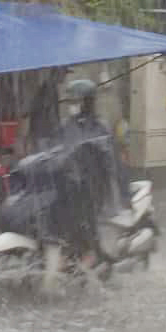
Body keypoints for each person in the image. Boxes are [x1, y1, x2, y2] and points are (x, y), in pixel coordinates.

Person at [56, 78, 130, 267]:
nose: (72, 106)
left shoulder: (100, 126)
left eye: (76, 101)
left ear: (87, 102)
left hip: (93, 185)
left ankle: (93, 255)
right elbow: (57, 150)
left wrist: (119, 190)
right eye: (70, 102)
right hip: (70, 183)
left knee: (86, 219)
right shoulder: (66, 125)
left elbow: (109, 159)